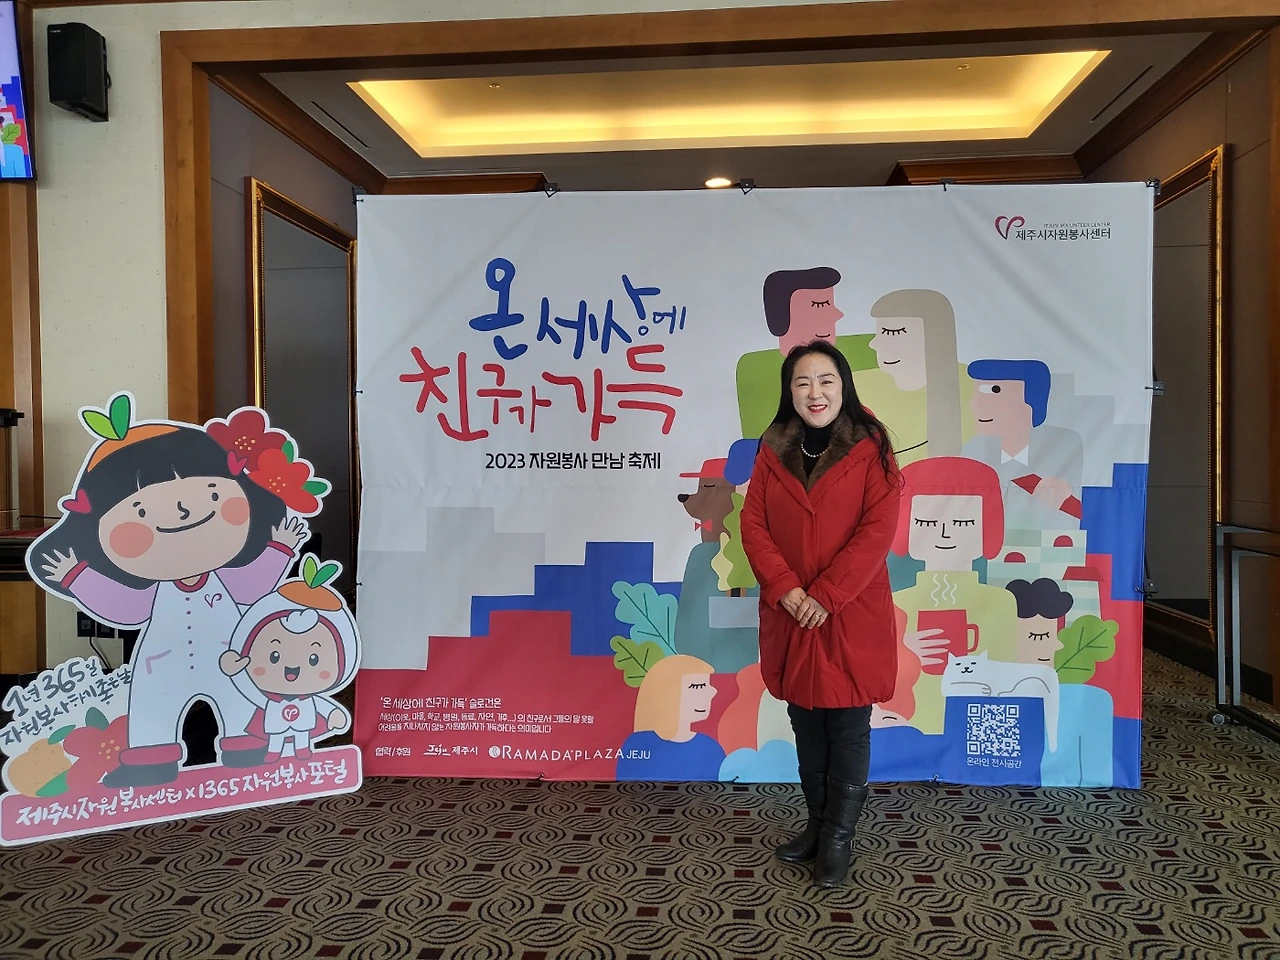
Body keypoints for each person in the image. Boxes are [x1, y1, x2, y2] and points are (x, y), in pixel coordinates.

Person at [739, 339, 901, 888]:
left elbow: (877, 531)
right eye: (803, 381)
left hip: (848, 611)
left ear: (843, 386)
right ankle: (815, 823)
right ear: (789, 391)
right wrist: (785, 588)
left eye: (826, 380)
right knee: (805, 720)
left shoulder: (871, 445)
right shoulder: (772, 446)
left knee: (848, 726)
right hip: (791, 611)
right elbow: (753, 524)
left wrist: (825, 596)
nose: (815, 392)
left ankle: (838, 837)